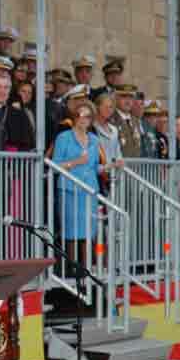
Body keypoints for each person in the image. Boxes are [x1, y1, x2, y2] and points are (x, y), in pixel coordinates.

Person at [52, 103, 100, 261]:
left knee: (88, 231)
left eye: (87, 116)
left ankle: (86, 270)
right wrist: (75, 162)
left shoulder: (94, 139)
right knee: (71, 230)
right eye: (79, 115)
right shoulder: (63, 137)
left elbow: (94, 166)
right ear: (74, 117)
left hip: (89, 189)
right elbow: (55, 165)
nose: (83, 119)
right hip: (70, 189)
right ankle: (71, 269)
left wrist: (109, 166)